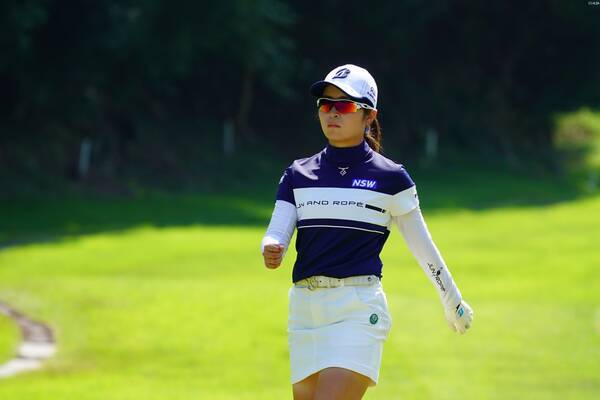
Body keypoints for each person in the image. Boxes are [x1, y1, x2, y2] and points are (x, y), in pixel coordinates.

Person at [261, 64, 474, 400]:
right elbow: (277, 231)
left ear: (369, 116)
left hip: (357, 310)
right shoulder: (297, 174)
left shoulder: (391, 179)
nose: (332, 112)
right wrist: (272, 247)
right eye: (326, 104)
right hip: (305, 312)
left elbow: (423, 247)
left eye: (344, 105)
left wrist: (453, 302)